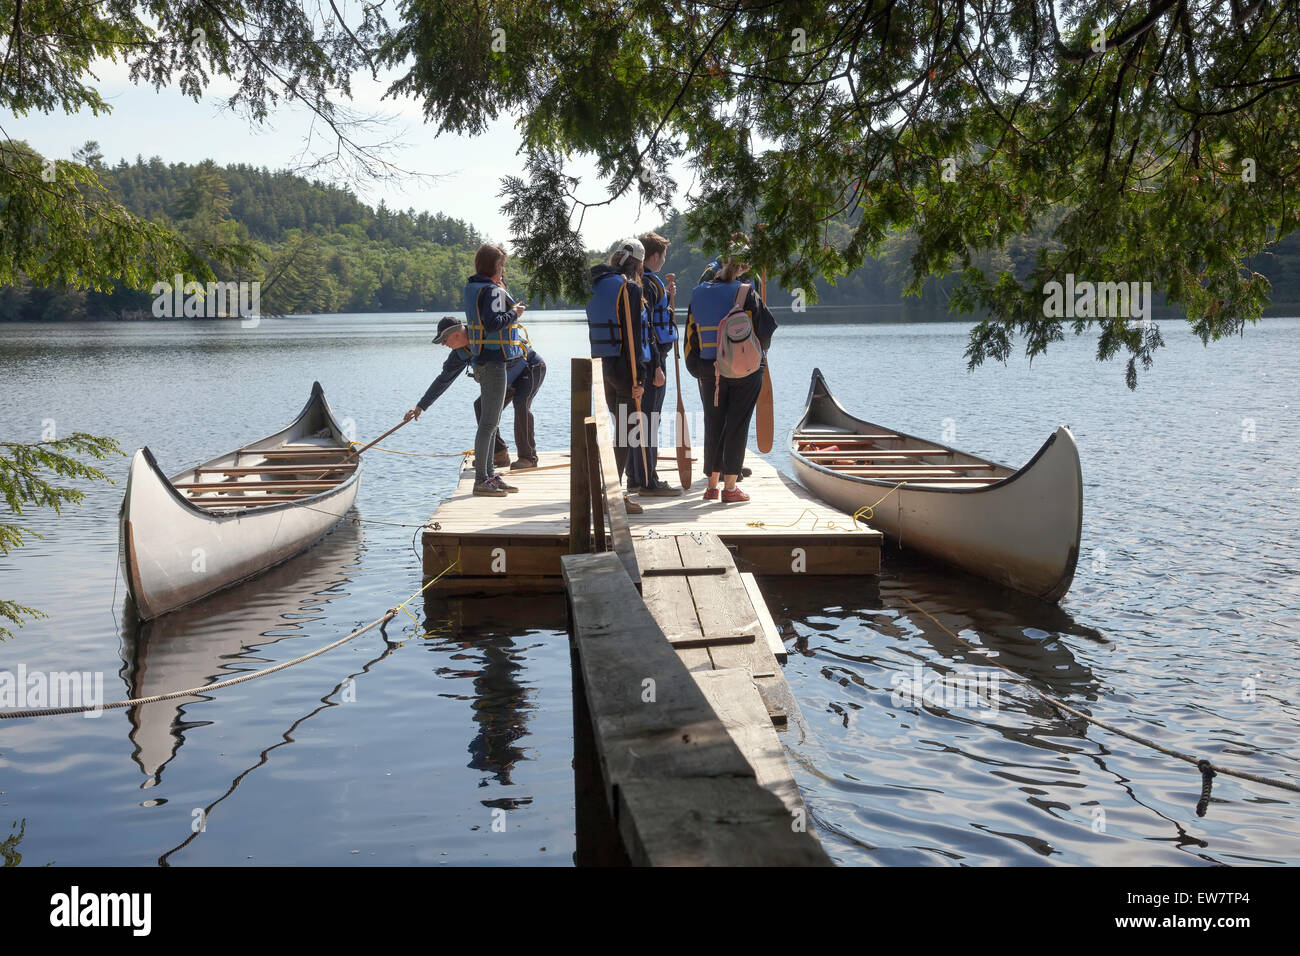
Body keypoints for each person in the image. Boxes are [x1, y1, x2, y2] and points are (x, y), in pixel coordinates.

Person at [403, 243, 526, 497]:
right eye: (501, 265)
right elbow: (493, 324)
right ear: (492, 266)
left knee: (491, 423)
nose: (503, 270)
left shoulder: (479, 289)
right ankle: (482, 480)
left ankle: (490, 475)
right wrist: (515, 313)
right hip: (492, 363)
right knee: (488, 423)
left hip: (490, 362)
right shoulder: (490, 291)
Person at [684, 241, 777, 503]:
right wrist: (760, 356)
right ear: (744, 267)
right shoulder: (746, 291)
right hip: (742, 370)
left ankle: (711, 486)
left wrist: (696, 366)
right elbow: (766, 330)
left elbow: (690, 333)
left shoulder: (698, 292)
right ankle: (730, 488)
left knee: (714, 424)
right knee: (736, 424)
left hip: (707, 368)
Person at [586, 237, 659, 515]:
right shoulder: (628, 288)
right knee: (627, 435)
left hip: (602, 365)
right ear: (637, 264)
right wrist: (639, 380)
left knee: (618, 431)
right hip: (625, 369)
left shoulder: (596, 285)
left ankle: (608, 491)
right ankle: (614, 497)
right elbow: (632, 338)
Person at [635, 232, 682, 496]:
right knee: (650, 421)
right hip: (652, 362)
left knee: (637, 421)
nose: (664, 261)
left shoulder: (640, 282)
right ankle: (648, 481)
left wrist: (667, 293)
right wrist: (656, 367)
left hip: (642, 361)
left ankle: (635, 476)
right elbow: (650, 328)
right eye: (663, 256)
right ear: (654, 256)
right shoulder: (649, 286)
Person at [473, 346, 545, 470]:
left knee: (521, 404)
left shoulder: (490, 340)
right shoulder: (464, 349)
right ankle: (499, 453)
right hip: (508, 374)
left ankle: (528, 457)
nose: (444, 344)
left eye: (445, 340)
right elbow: (445, 377)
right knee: (481, 404)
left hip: (531, 367)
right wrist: (426, 403)